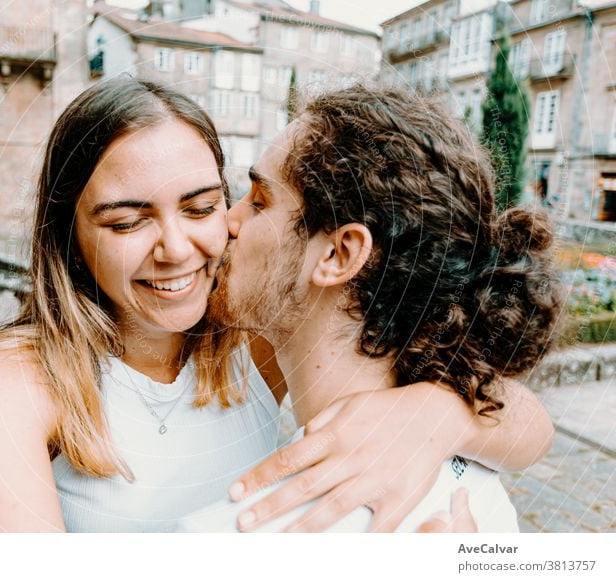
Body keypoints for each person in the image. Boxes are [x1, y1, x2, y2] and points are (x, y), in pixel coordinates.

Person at [0, 78, 554, 533]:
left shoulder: (252, 334)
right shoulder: (12, 381)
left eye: (203, 206)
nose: (179, 249)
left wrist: (433, 414)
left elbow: (528, 423)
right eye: (129, 221)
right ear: (69, 233)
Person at [178, 84, 562, 532]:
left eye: (260, 201)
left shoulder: (225, 534)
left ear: (338, 255)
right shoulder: (479, 484)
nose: (229, 219)